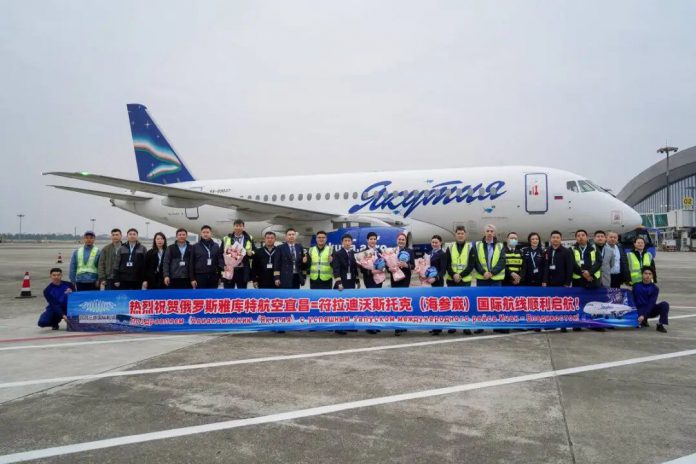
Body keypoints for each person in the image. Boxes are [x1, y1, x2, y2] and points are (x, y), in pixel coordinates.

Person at [542, 230, 574, 332]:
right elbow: (545, 267)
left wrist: (567, 282)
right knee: (550, 304)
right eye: (553, 237)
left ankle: (563, 325)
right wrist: (544, 281)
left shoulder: (566, 251)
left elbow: (569, 268)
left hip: (562, 282)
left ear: (561, 239)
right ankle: (551, 324)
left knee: (562, 304)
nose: (555, 239)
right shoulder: (547, 251)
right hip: (549, 282)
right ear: (550, 239)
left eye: (557, 237)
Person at [633, 268, 669, 333]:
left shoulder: (655, 288)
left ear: (652, 276)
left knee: (665, 304)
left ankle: (660, 325)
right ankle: (643, 321)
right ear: (642, 275)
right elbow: (632, 300)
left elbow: (651, 303)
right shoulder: (636, 286)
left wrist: (643, 315)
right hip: (637, 310)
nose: (648, 275)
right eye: (645, 273)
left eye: (650, 274)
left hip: (650, 310)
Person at [221, 219, 255, 289]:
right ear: (233, 227)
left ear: (243, 227)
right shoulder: (226, 238)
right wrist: (223, 265)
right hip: (229, 269)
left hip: (242, 269)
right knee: (228, 291)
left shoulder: (249, 238)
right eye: (236, 226)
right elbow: (220, 254)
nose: (238, 228)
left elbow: (255, 251)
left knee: (242, 291)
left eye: (240, 226)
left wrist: (251, 253)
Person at [190, 225, 223, 289]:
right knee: (201, 294)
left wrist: (219, 276)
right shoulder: (195, 246)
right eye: (204, 232)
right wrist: (192, 279)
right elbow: (191, 263)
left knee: (213, 294)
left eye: (207, 232)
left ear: (211, 233)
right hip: (200, 276)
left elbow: (218, 261)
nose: (205, 234)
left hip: (213, 276)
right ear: (201, 234)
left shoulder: (216, 246)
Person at [428, 235, 449, 335]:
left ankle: (438, 328)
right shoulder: (429, 254)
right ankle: (434, 326)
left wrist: (435, 278)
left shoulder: (442, 254)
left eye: (436, 242)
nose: (434, 244)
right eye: (433, 242)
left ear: (440, 243)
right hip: (429, 282)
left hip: (438, 282)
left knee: (437, 305)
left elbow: (443, 271)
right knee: (432, 304)